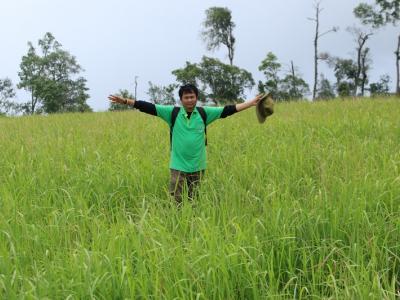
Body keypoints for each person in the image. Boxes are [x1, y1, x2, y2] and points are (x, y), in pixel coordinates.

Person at [108, 84, 262, 204]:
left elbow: (228, 110)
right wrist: (126, 101)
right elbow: (148, 107)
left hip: (198, 165)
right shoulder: (172, 113)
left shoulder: (204, 113)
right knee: (177, 200)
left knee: (194, 199)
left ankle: (192, 225)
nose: (189, 100)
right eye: (186, 97)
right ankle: (177, 224)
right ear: (181, 99)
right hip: (178, 165)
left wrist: (251, 103)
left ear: (197, 98)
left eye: (192, 97)